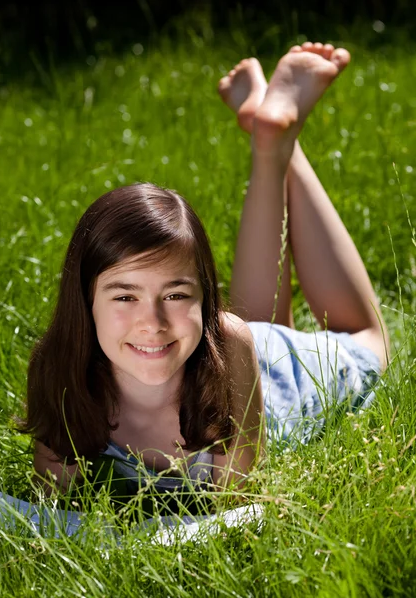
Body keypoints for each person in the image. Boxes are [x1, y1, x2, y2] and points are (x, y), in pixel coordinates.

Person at [23, 42, 389, 503]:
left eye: (176, 295)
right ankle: (271, 136)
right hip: (225, 351)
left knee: (371, 342)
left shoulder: (228, 338)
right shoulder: (57, 369)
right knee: (261, 322)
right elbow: (47, 510)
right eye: (124, 297)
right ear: (84, 301)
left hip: (271, 372)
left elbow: (233, 506)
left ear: (205, 297)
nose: (151, 322)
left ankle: (280, 142)